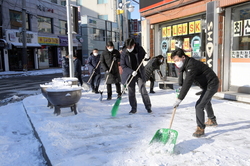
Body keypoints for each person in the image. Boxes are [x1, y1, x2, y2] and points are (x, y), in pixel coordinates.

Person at [171, 48, 219, 137]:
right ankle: (212, 120)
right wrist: (180, 86)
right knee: (206, 101)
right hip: (206, 85)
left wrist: (180, 98)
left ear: (183, 57)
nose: (176, 62)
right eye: (174, 61)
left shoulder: (191, 65)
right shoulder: (186, 63)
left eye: (177, 60)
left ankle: (200, 128)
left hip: (212, 84)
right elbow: (182, 76)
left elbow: (188, 82)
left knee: (199, 105)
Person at [120, 38, 152, 114]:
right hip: (129, 74)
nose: (129, 49)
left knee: (143, 90)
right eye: (127, 47)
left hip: (139, 73)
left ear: (134, 45)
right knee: (131, 92)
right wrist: (131, 72)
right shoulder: (124, 52)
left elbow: (145, 57)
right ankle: (133, 108)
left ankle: (148, 107)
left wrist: (147, 57)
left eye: (130, 47)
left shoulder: (139, 49)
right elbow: (123, 65)